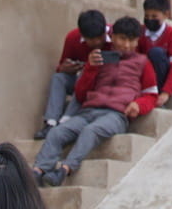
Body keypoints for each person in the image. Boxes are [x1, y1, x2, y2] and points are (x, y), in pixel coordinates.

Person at [34, 17, 158, 188]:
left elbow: (151, 95)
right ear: (112, 37)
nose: (127, 45)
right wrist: (91, 68)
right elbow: (80, 92)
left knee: (90, 131)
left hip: (116, 115)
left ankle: (64, 170)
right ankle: (38, 171)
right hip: (88, 111)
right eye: (123, 39)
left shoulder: (143, 62)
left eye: (132, 40)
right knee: (56, 133)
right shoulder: (100, 57)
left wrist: (139, 105)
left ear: (138, 41)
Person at [41, 9, 108, 133]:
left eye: (100, 37)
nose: (97, 42)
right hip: (79, 81)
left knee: (83, 76)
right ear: (82, 36)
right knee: (58, 78)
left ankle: (67, 119)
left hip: (102, 85)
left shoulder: (115, 36)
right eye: (92, 39)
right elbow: (61, 66)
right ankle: (51, 121)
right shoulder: (72, 38)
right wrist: (64, 68)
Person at [141, 0, 172, 102]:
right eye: (147, 16)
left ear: (166, 14)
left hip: (161, 78)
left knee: (156, 53)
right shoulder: (140, 32)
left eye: (154, 16)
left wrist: (166, 92)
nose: (150, 19)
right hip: (145, 76)